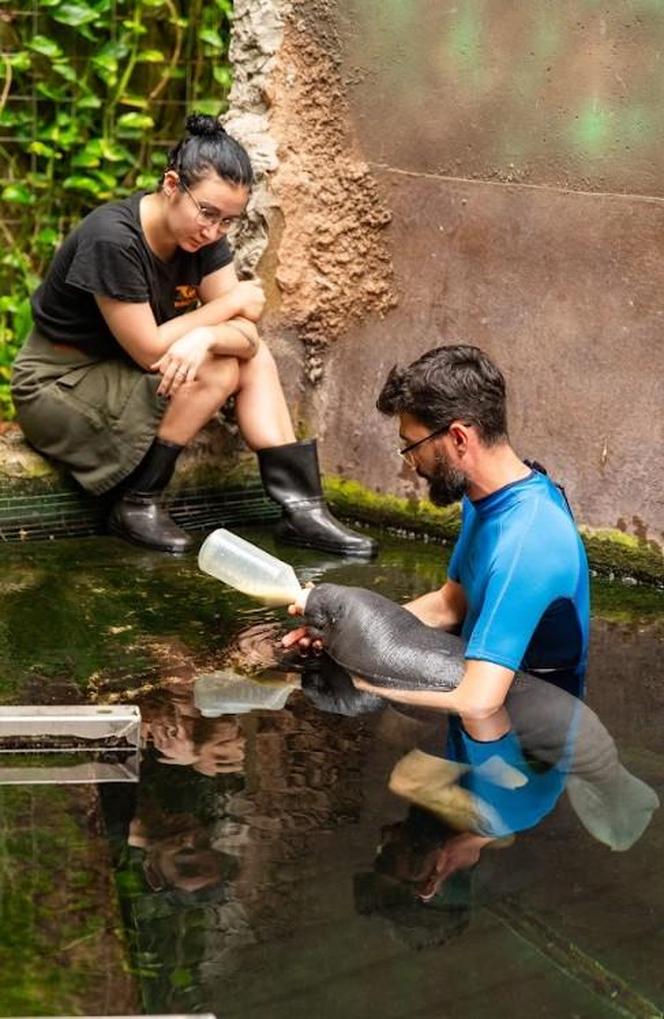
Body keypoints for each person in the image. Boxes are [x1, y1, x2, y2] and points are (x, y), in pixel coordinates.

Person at [11, 113, 376, 557]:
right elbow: (150, 350)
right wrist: (225, 308)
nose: (214, 230)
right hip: (58, 385)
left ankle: (303, 510)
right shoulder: (113, 239)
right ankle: (138, 501)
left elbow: (247, 338)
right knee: (219, 368)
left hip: (121, 373)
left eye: (228, 221)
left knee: (248, 358)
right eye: (206, 212)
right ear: (170, 185)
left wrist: (207, 335)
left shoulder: (203, 238)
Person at [285, 343, 590, 733]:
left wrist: (361, 680)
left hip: (521, 749)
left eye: (412, 447)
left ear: (459, 438)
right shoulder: (488, 499)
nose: (412, 465)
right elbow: (450, 606)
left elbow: (478, 703)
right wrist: (341, 632)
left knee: (404, 777)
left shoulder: (529, 540)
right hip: (489, 710)